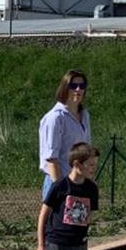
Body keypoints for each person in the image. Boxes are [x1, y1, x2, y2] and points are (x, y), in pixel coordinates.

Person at [38, 71, 91, 201]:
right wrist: (61, 190)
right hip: (60, 183)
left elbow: (87, 151)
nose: (78, 89)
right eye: (73, 86)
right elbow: (51, 159)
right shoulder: (55, 118)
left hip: (79, 182)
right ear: (65, 87)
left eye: (82, 86)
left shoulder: (85, 115)